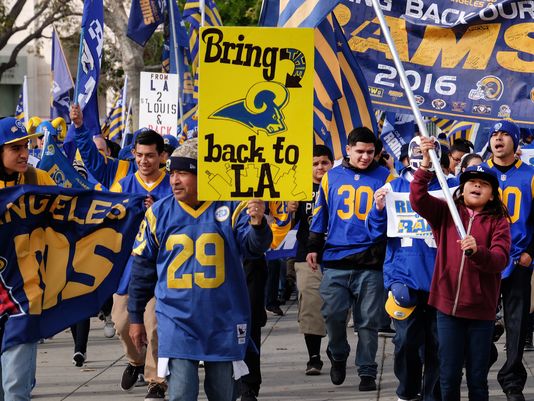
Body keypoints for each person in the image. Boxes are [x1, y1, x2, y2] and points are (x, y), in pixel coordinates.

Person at [127, 139, 273, 401]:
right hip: (177, 319)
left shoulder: (232, 207)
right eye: (171, 173)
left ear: (203, 175)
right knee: (181, 392)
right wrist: (136, 316)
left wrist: (258, 222)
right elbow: (142, 268)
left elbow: (253, 247)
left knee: (222, 392)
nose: (174, 181)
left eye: (182, 173)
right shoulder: (159, 213)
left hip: (222, 318)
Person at [410, 136, 511, 401]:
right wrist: (425, 164)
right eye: (471, 182)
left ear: (491, 194)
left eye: (484, 184)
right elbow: (418, 199)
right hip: (447, 309)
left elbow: (500, 259)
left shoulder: (499, 222)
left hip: (481, 311)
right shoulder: (446, 213)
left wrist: (478, 252)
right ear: (462, 188)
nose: (476, 186)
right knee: (449, 375)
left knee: (477, 378)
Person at [307, 127, 394, 391]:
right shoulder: (330, 177)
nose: (365, 157)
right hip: (336, 258)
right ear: (348, 149)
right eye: (360, 151)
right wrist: (313, 245)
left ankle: (367, 370)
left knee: (368, 321)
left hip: (371, 260)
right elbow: (320, 214)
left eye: (370, 152)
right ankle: (339, 354)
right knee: (332, 316)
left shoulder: (386, 176)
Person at [367, 136, 443, 401]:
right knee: (406, 342)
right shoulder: (394, 186)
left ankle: (433, 395)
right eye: (420, 154)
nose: (424, 158)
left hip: (440, 278)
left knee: (438, 345)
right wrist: (378, 209)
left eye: (428, 153)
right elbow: (375, 232)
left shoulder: (450, 185)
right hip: (404, 275)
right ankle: (408, 391)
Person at [109, 131, 171, 400]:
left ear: (162, 156)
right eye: (139, 155)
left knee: (154, 322)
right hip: (129, 269)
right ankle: (135, 361)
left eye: (150, 156)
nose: (144, 161)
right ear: (133, 154)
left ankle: (156, 380)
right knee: (122, 323)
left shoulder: (174, 185)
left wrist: (158, 210)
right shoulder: (122, 186)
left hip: (164, 267)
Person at [0, 117, 55, 400]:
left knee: (16, 388)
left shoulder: (38, 179)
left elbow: (75, 207)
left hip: (25, 295)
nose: (24, 153)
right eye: (15, 148)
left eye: (26, 145)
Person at [484, 120, 534, 401]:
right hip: (485, 261)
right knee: (481, 319)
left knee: (517, 324)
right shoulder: (477, 174)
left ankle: (513, 381)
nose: (498, 139)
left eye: (504, 134)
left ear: (516, 141)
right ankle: (484, 355)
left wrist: (531, 253)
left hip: (517, 261)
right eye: (494, 134)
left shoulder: (530, 175)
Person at [287, 145, 334, 375]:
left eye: (324, 163)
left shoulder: (339, 185)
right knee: (311, 307)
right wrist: (288, 209)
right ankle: (314, 357)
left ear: (331, 164)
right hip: (307, 256)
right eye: (314, 164)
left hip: (338, 255)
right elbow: (282, 225)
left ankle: (336, 348)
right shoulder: (298, 188)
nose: (319, 168)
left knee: (336, 310)